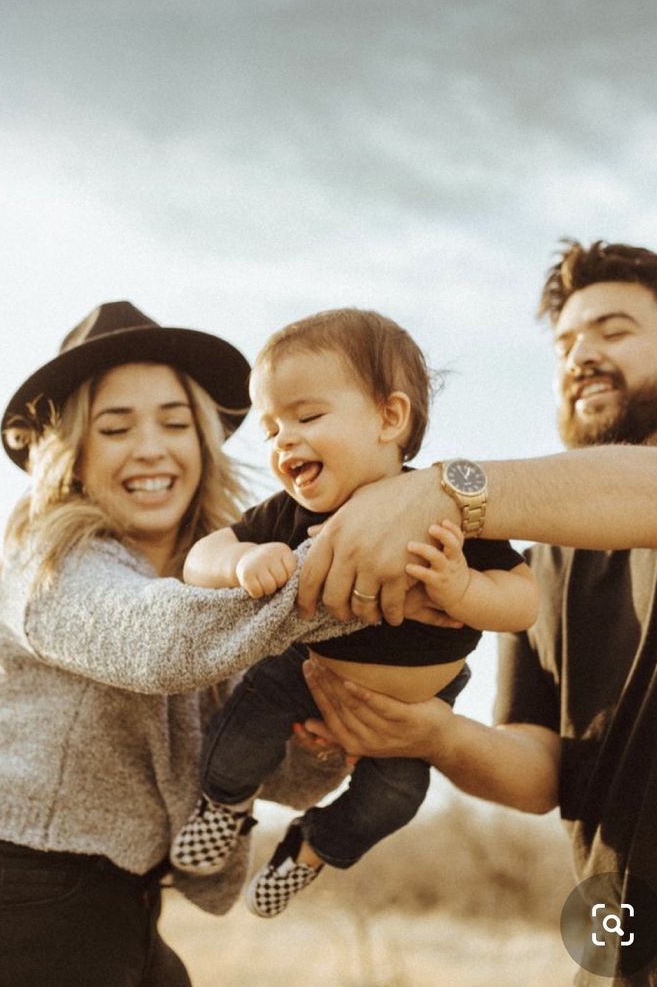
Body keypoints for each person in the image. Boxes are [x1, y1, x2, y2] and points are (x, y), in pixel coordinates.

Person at [301, 242, 657, 987]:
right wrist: (432, 733)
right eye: (566, 344)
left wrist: (450, 488)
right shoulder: (544, 560)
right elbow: (544, 770)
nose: (582, 355)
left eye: (613, 332)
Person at [0, 300, 372, 987]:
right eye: (116, 427)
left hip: (118, 904)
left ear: (203, 442)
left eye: (175, 423)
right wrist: (353, 574)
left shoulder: (218, 595)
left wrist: (325, 740)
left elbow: (257, 767)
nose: (151, 447)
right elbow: (155, 641)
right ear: (75, 454)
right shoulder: (52, 563)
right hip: (15, 890)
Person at [169, 308, 537, 918]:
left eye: (308, 416)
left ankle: (311, 850)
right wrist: (243, 561)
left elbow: (524, 600)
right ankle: (224, 807)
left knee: (395, 797)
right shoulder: (287, 516)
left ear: (390, 418)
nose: (284, 439)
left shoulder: (443, 507)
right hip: (309, 672)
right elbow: (199, 557)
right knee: (243, 731)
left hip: (415, 712)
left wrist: (462, 589)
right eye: (271, 428)